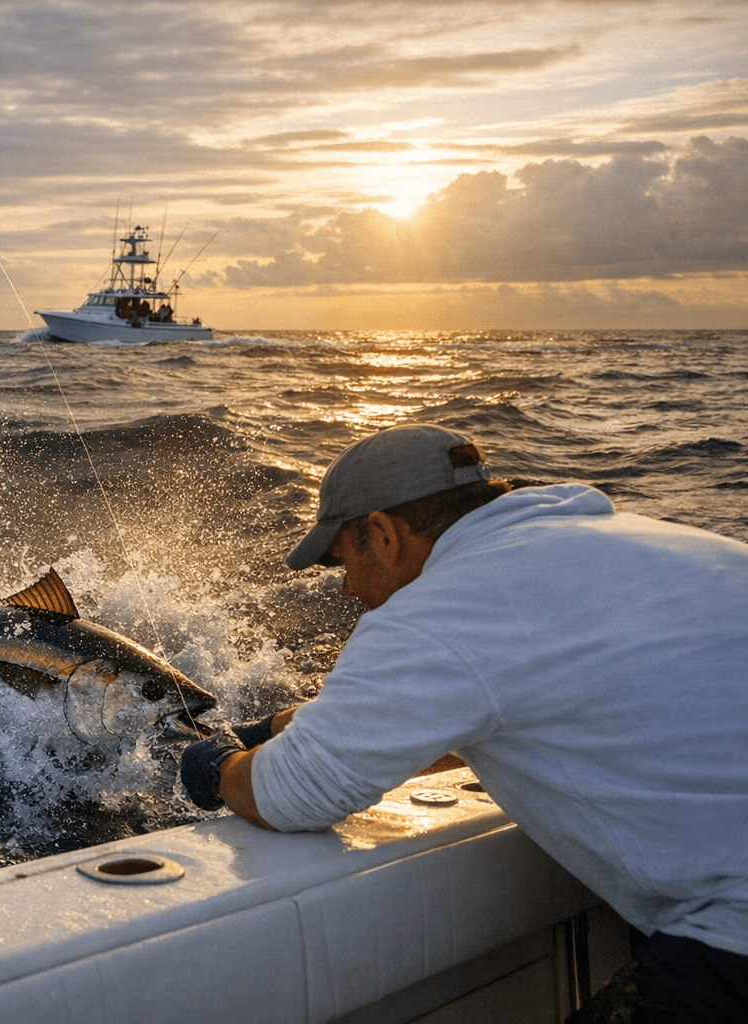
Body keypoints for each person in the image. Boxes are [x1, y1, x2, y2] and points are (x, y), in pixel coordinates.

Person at [181, 423, 748, 1022]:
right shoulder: (641, 543)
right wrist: (275, 728)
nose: (346, 587)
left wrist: (218, 765)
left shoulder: (443, 607)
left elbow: (293, 793)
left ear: (381, 532)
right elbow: (491, 705)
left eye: (342, 560)